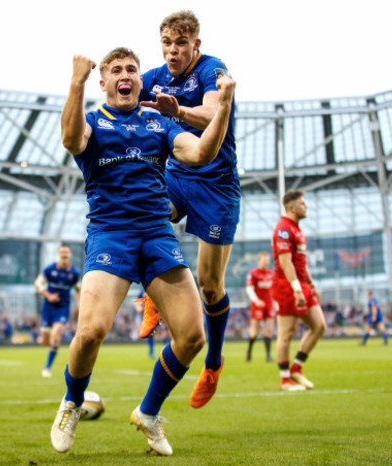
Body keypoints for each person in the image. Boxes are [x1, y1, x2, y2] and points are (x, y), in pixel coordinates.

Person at [50, 47, 235, 456]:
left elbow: (202, 152)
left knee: (192, 337)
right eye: (116, 70)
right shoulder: (94, 121)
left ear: (139, 80)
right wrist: (76, 82)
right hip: (111, 234)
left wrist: (222, 106)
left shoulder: (157, 120)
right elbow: (70, 139)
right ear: (105, 82)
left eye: (132, 69)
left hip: (156, 235)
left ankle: (148, 413)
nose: (126, 74)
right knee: (91, 331)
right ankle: (71, 402)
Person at [137, 10, 240, 409]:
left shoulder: (213, 69)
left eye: (181, 44)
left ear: (196, 44)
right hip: (179, 174)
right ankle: (151, 296)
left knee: (210, 284)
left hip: (216, 184)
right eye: (167, 43)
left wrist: (175, 110)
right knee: (148, 214)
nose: (173, 51)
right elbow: (122, 99)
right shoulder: (154, 77)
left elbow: (215, 113)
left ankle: (212, 364)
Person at [271, 189, 326, 391]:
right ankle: (285, 379)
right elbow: (285, 263)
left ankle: (296, 368)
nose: (306, 206)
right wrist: (296, 288)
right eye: (302, 204)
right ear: (291, 207)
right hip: (287, 285)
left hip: (301, 284)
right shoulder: (283, 229)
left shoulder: (297, 229)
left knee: (319, 325)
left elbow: (301, 262)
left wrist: (311, 285)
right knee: (286, 334)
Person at [34, 243, 81, 378]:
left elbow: (78, 290)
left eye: (66, 252)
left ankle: (47, 368)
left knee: (56, 335)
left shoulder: (74, 273)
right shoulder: (49, 269)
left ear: (70, 255)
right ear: (59, 254)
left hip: (63, 308)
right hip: (48, 308)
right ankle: (44, 340)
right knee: (45, 341)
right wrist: (48, 295)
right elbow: (38, 283)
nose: (64, 255)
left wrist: (78, 306)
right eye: (62, 252)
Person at [245, 251, 276, 362]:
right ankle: (249, 352)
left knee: (268, 331)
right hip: (257, 305)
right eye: (264, 260)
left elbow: (274, 290)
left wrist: (276, 303)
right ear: (259, 261)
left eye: (267, 260)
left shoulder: (271, 273)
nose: (266, 262)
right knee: (255, 332)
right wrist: (256, 300)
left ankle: (268, 356)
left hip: (269, 304)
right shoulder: (253, 273)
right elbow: (249, 289)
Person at [134, 290, 156, 359]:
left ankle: (164, 345)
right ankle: (152, 350)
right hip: (148, 316)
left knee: (164, 331)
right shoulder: (142, 291)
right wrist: (139, 308)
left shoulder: (154, 287)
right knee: (150, 334)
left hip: (156, 314)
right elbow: (137, 301)